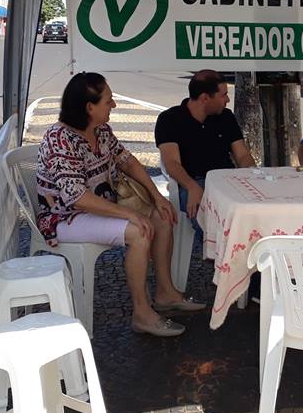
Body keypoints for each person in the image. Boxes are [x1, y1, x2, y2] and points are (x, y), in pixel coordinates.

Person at [37, 72, 202, 339]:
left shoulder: (100, 130)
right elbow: (78, 198)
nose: (113, 105)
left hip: (99, 208)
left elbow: (127, 161)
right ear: (89, 108)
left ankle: (166, 294)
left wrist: (157, 197)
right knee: (138, 232)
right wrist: (130, 215)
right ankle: (142, 314)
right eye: (108, 101)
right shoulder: (60, 139)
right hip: (65, 218)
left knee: (161, 216)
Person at [155, 69, 256, 242]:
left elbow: (242, 155)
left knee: (255, 215)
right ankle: (224, 260)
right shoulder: (169, 119)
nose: (227, 100)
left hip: (227, 180)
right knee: (215, 225)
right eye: (223, 95)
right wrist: (192, 186)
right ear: (205, 98)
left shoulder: (226, 117)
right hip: (192, 182)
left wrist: (252, 173)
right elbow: (171, 163)